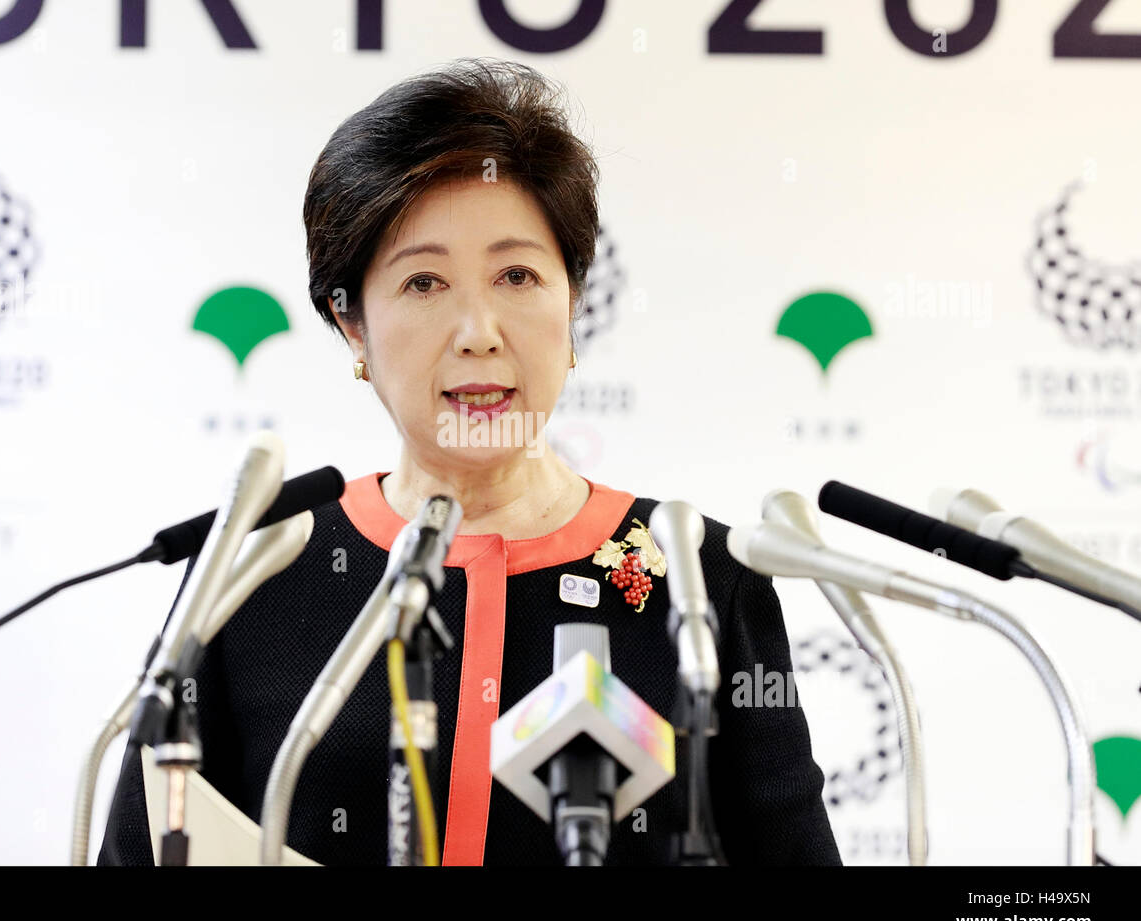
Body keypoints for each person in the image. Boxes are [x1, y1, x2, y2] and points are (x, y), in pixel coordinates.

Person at [99, 58, 840, 866]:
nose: (478, 329)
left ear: (574, 303)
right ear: (353, 326)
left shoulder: (700, 580)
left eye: (517, 275)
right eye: (423, 283)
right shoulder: (254, 570)